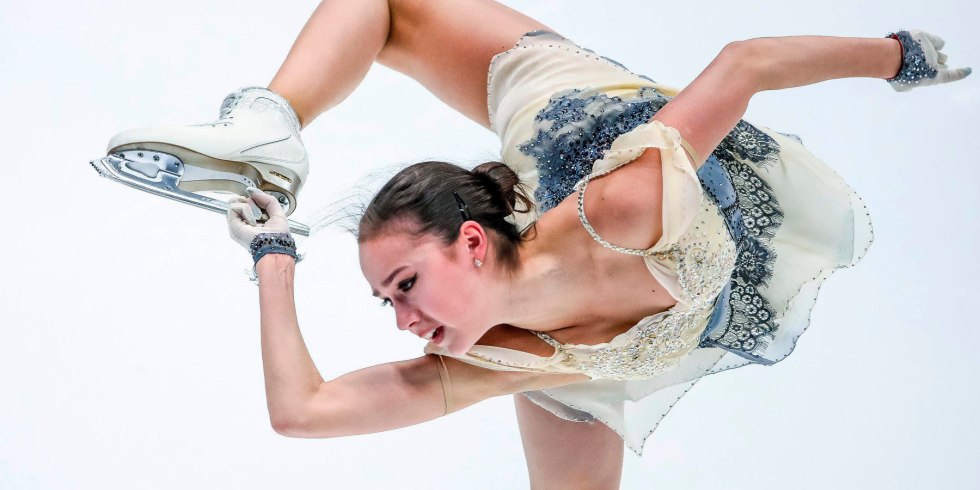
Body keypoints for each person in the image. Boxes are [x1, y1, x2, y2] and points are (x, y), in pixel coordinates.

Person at [106, 0, 969, 487]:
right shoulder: (501, 358)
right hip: (581, 362)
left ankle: (270, 122)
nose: (402, 319)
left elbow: (743, 63)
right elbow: (303, 413)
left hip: (573, 115)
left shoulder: (628, 204)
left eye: (405, 284)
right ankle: (270, 135)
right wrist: (273, 255)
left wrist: (896, 56)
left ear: (472, 243)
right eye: (387, 298)